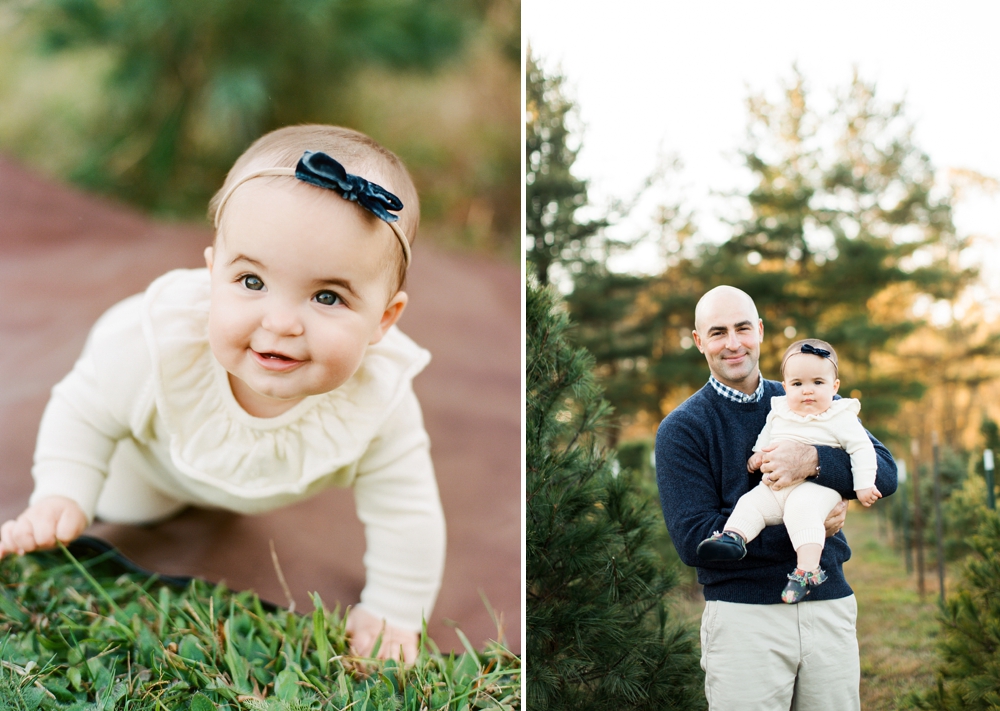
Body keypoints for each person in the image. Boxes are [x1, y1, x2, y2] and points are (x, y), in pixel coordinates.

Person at [0, 125, 446, 663]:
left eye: (327, 296)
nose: (281, 323)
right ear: (212, 275)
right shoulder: (153, 346)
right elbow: (84, 409)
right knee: (121, 506)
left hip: (264, 489)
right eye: (252, 282)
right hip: (149, 465)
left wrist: (395, 610)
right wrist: (63, 491)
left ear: (385, 319)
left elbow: (408, 512)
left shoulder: (381, 402)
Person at [655, 285, 897, 711]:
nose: (733, 343)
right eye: (717, 333)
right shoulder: (683, 428)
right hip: (745, 618)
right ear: (698, 342)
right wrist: (806, 530)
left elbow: (885, 470)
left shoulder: (808, 392)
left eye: (743, 328)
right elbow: (695, 540)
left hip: (828, 606)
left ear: (761, 331)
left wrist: (813, 461)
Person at [696, 338, 881, 604]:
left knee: (802, 510)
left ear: (835, 386)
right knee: (752, 503)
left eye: (818, 383)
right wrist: (759, 454)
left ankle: (807, 571)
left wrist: (863, 484)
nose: (807, 391)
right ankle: (734, 537)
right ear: (785, 388)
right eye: (797, 384)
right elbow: (767, 435)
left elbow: (864, 449)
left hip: (816, 490)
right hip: (774, 488)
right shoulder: (780, 409)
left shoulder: (840, 415)